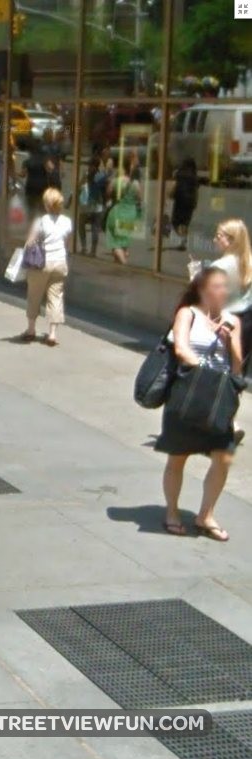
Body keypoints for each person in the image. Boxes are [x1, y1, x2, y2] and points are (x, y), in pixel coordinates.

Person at [157, 267, 244, 541]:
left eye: (225, 287)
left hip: (219, 397)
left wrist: (230, 341)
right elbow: (181, 348)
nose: (223, 291)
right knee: (178, 457)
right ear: (203, 290)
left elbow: (238, 367)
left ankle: (206, 515)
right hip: (189, 393)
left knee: (223, 457)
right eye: (217, 286)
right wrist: (204, 372)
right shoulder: (187, 314)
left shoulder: (233, 322)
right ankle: (172, 512)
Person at [195, 220, 252, 371]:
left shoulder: (219, 267)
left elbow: (203, 297)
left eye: (219, 236)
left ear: (231, 240)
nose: (215, 240)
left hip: (223, 323)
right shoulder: (249, 263)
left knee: (216, 368)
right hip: (247, 322)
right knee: (237, 369)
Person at [19, 188, 73, 346]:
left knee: (34, 296)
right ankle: (52, 334)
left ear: (46, 204)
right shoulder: (67, 222)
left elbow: (29, 243)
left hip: (41, 264)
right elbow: (67, 244)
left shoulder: (41, 221)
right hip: (60, 263)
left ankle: (31, 330)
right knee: (56, 297)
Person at [106, 152, 143, 266]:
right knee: (124, 240)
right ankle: (121, 260)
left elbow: (108, 193)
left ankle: (124, 264)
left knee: (114, 242)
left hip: (117, 213)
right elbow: (139, 199)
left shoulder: (116, 181)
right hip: (131, 215)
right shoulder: (136, 184)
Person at [169, 158, 199, 251]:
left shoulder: (179, 174)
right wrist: (195, 202)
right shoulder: (194, 177)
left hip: (180, 200)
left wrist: (170, 194)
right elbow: (196, 191)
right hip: (189, 202)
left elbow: (175, 185)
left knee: (175, 221)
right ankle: (183, 240)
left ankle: (182, 239)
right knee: (185, 222)